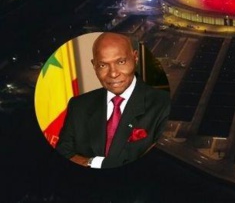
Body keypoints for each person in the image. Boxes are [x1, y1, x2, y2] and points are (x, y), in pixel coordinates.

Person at [56, 32, 170, 168]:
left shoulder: (164, 104)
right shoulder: (78, 105)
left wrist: (91, 162)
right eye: (103, 65)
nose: (113, 73)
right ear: (94, 66)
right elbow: (63, 152)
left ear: (135, 58)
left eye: (121, 62)